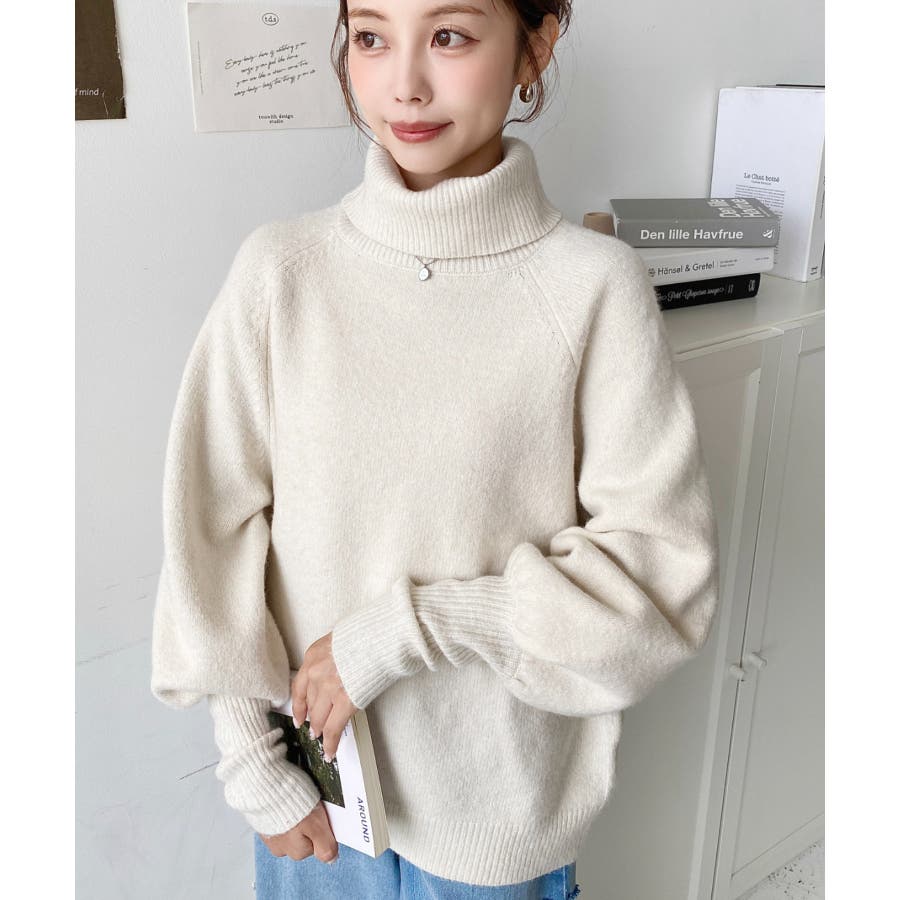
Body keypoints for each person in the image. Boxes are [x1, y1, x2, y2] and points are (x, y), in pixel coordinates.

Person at [150, 0, 720, 897]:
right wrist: (251, 762)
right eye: (372, 37)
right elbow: (209, 532)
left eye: (449, 35)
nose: (404, 85)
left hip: (497, 832)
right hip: (316, 810)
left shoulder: (593, 290)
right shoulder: (281, 274)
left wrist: (407, 630)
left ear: (536, 44)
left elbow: (657, 581)